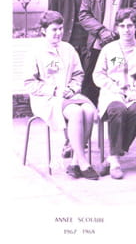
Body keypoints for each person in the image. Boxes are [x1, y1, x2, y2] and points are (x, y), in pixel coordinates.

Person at [23, 11, 100, 180]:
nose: (58, 33)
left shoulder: (68, 49)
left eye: (60, 29)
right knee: (76, 112)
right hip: (46, 99)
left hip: (69, 95)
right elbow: (29, 83)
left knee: (88, 110)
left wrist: (72, 88)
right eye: (54, 29)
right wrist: (54, 90)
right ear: (43, 30)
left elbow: (78, 74)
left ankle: (75, 162)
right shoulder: (35, 52)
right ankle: (84, 163)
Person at [47, 0, 97, 158]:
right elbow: (50, 19)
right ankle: (69, 140)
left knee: (87, 89)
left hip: (89, 44)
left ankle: (82, 141)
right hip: (66, 44)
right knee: (67, 91)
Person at [92, 8, 136, 179]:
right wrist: (113, 87)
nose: (126, 30)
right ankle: (116, 162)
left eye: (130, 25)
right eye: (122, 26)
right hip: (112, 92)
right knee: (117, 110)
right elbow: (98, 74)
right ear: (117, 28)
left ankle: (112, 157)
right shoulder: (108, 49)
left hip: (134, 92)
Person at [79, 0, 136, 106]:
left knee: (121, 76)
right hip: (98, 43)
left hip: (123, 43)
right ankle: (93, 112)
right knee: (93, 81)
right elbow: (84, 14)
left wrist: (116, 34)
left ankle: (121, 107)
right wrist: (102, 32)